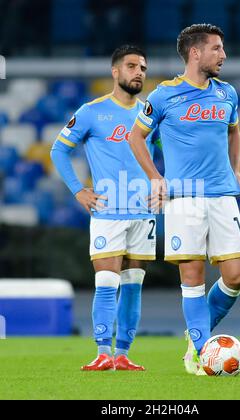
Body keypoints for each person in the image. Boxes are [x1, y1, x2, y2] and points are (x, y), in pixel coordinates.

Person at [128, 24, 240, 375]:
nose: (223, 55)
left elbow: (234, 132)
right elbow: (137, 138)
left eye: (222, 49)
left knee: (237, 276)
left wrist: (235, 169)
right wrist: (155, 177)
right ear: (195, 53)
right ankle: (199, 353)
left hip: (222, 196)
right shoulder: (164, 95)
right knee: (193, 276)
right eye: (216, 49)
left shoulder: (227, 93)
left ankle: (197, 336)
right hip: (183, 200)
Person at [51, 45, 160, 371]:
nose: (138, 71)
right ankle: (102, 352)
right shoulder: (91, 112)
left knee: (133, 285)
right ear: (115, 72)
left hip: (143, 212)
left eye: (142, 67)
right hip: (108, 211)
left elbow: (169, 152)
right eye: (131, 66)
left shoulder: (150, 116)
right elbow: (58, 150)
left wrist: (164, 184)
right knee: (106, 283)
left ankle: (123, 354)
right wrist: (78, 190)